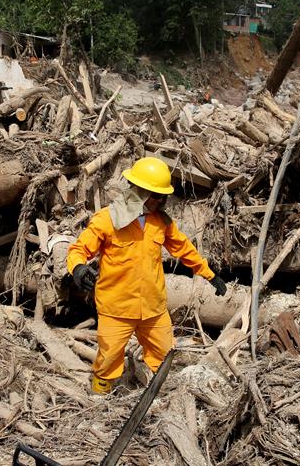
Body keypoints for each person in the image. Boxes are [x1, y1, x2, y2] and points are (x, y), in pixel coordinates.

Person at [67, 157, 227, 394]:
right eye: (155, 195)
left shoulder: (161, 222)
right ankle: (98, 400)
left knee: (164, 356)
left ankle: (157, 400)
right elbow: (78, 250)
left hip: (153, 308)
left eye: (163, 196)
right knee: (108, 359)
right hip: (116, 307)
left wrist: (209, 274)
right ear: (139, 192)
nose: (160, 201)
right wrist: (78, 268)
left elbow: (183, 248)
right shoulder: (106, 220)